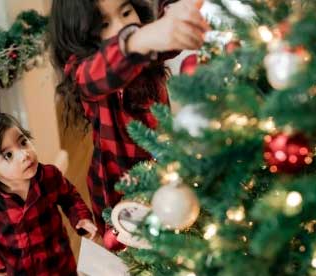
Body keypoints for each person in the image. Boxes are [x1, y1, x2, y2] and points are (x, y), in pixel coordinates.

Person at [49, 0, 209, 240]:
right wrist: (139, 39)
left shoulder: (147, 49)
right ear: (79, 34)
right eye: (103, 24)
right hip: (119, 189)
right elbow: (95, 74)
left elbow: (168, 36)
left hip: (165, 169)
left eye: (126, 12)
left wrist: (176, 16)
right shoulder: (81, 69)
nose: (120, 28)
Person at [0, 113, 97, 276]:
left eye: (23, 142)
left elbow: (69, 197)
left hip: (59, 261)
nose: (25, 155)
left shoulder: (49, 176)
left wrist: (81, 218)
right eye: (8, 155)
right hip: (18, 270)